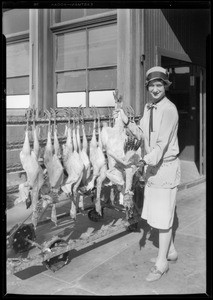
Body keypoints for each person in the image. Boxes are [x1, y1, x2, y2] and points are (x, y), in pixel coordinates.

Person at [118, 66, 181, 282]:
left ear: (165, 86)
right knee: (157, 215)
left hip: (165, 168)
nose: (155, 89)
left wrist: (143, 161)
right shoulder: (149, 108)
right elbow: (143, 134)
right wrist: (128, 123)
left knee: (163, 218)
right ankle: (170, 251)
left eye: (159, 84)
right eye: (152, 85)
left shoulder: (169, 109)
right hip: (153, 168)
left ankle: (161, 263)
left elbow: (161, 144)